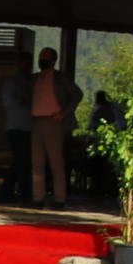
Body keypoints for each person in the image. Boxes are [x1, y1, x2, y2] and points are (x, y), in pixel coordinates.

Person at [29, 47, 82, 208]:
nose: (42, 59)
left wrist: (64, 113)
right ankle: (37, 198)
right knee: (37, 163)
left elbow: (77, 94)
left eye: (45, 56)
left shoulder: (60, 77)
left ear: (53, 60)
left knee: (56, 162)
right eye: (40, 56)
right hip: (36, 121)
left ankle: (59, 199)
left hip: (53, 122)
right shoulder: (35, 78)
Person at [0, 68, 33, 203]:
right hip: (15, 126)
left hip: (28, 127)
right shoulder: (12, 82)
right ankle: (19, 192)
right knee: (21, 159)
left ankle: (8, 191)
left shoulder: (32, 82)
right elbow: (7, 100)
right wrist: (23, 100)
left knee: (21, 160)